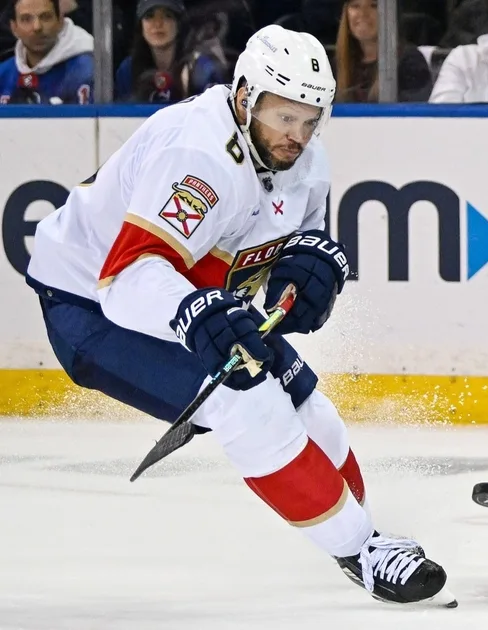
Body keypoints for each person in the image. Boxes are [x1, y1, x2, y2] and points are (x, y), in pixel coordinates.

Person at [24, 24, 454, 607]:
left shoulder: (306, 159)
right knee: (245, 400)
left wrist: (312, 271)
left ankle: (367, 541)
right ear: (246, 96)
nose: (297, 136)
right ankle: (361, 551)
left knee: (307, 403)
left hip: (184, 292)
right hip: (89, 306)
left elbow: (295, 247)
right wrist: (192, 309)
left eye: (310, 120)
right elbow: (126, 280)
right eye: (283, 117)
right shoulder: (198, 157)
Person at [114, 0, 227, 103]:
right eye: (149, 16)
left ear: (179, 24)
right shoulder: (128, 69)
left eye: (167, 16)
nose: (158, 24)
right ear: (141, 25)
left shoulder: (201, 67)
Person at [333, 0, 432, 103]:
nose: (363, 14)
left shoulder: (410, 62)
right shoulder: (337, 64)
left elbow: (412, 114)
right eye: (355, 6)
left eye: (373, 6)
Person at [0, 0, 93, 104]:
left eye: (46, 17)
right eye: (26, 19)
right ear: (14, 28)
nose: (37, 27)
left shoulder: (87, 72)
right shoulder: (4, 74)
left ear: (60, 21)